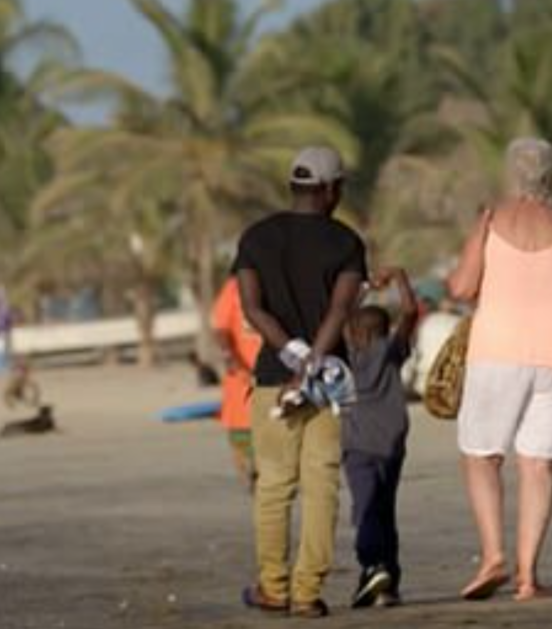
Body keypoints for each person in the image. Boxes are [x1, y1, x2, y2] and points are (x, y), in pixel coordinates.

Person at [447, 138, 552, 602]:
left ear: (511, 176)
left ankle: (494, 554)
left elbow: (461, 286)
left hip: (497, 351)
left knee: (482, 455)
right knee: (538, 465)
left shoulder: (491, 220)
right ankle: (527, 579)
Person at [234, 146, 366, 618]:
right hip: (328, 384)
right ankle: (307, 593)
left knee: (273, 485)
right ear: (330, 189)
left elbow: (252, 308)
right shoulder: (346, 242)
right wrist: (311, 366)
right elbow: (339, 310)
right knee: (322, 485)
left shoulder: (255, 238)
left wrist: (291, 357)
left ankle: (273, 586)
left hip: (273, 381)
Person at [342, 267, 419, 609]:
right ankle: (388, 584)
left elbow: (340, 317)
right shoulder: (392, 352)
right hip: (392, 446)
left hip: (358, 447)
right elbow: (412, 312)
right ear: (385, 331)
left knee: (366, 510)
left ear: (354, 333)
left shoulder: (346, 358)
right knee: (385, 510)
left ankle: (373, 565)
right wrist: (400, 278)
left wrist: (362, 288)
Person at [212, 276, 263, 492]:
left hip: (279, 375)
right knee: (242, 433)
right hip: (241, 376)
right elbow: (221, 327)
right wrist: (230, 356)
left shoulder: (282, 277)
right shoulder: (234, 286)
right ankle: (251, 476)